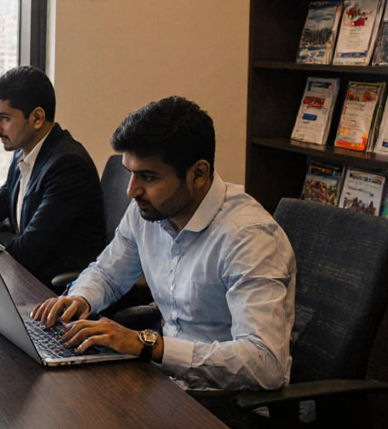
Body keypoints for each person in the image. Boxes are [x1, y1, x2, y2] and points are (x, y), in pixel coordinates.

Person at [32, 96, 295, 394]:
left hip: (222, 402)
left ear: (199, 174)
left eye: (148, 177)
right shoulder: (147, 212)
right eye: (130, 172)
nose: (132, 190)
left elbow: (266, 363)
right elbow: (107, 274)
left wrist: (149, 345)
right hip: (165, 382)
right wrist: (80, 298)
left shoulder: (249, 237)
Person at [0, 65, 105, 288]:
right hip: (26, 278)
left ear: (37, 117)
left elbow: (26, 253)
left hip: (55, 292)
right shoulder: (24, 153)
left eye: (4, 118)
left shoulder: (68, 166)